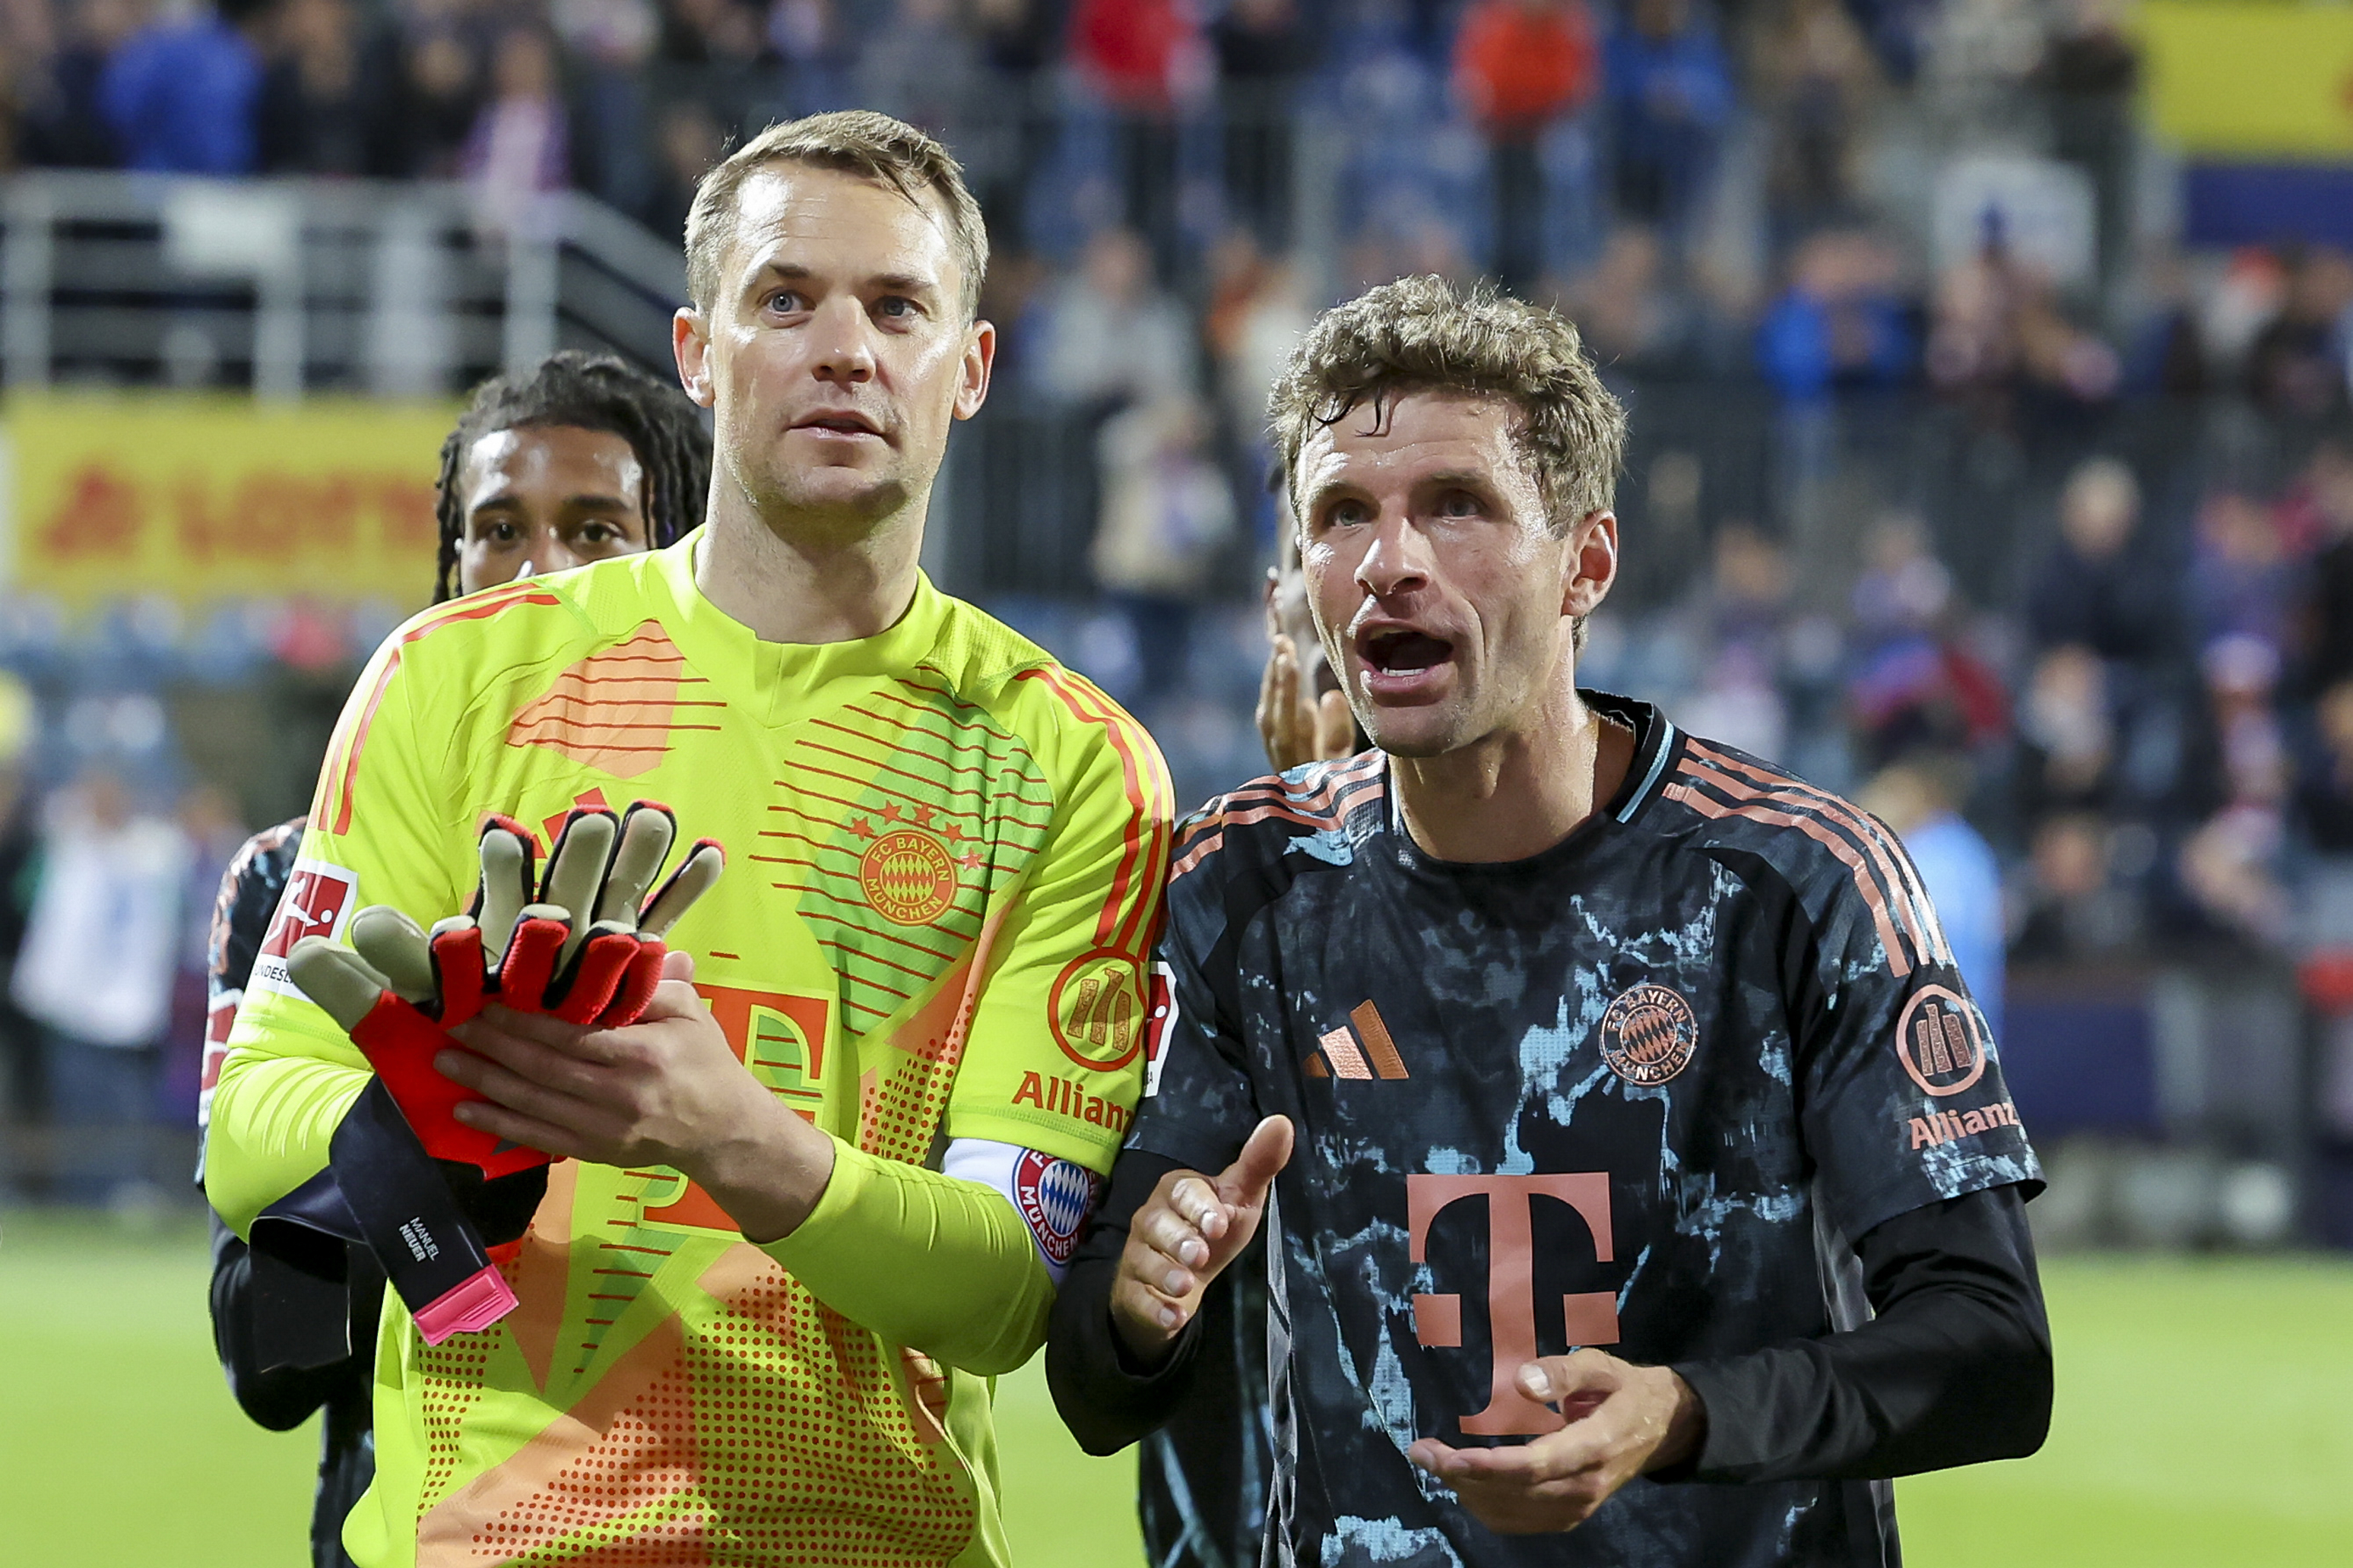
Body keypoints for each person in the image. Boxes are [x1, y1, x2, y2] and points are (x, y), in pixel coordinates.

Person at [206, 111, 1170, 1567]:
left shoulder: (1073, 765)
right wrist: (416, 1123)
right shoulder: (453, 680)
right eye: (785, 299)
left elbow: (1006, 1287)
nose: (844, 347)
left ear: (967, 371)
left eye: (897, 306)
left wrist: (723, 1133)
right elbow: (246, 1119)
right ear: (698, 353)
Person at [1048, 276, 2050, 1565]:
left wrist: (1685, 1414)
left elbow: (1991, 1349)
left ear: (1588, 561)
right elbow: (1092, 1377)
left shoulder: (1799, 880)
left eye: (1455, 506)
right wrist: (1141, 1308)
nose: (1390, 562)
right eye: (1341, 515)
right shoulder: (1245, 881)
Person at [198, 349, 712, 1568]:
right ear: (449, 565)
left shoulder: (754, 858)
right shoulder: (290, 880)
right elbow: (259, 1354)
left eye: (597, 531)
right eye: (498, 531)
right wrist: (426, 1153)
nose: (540, 575)